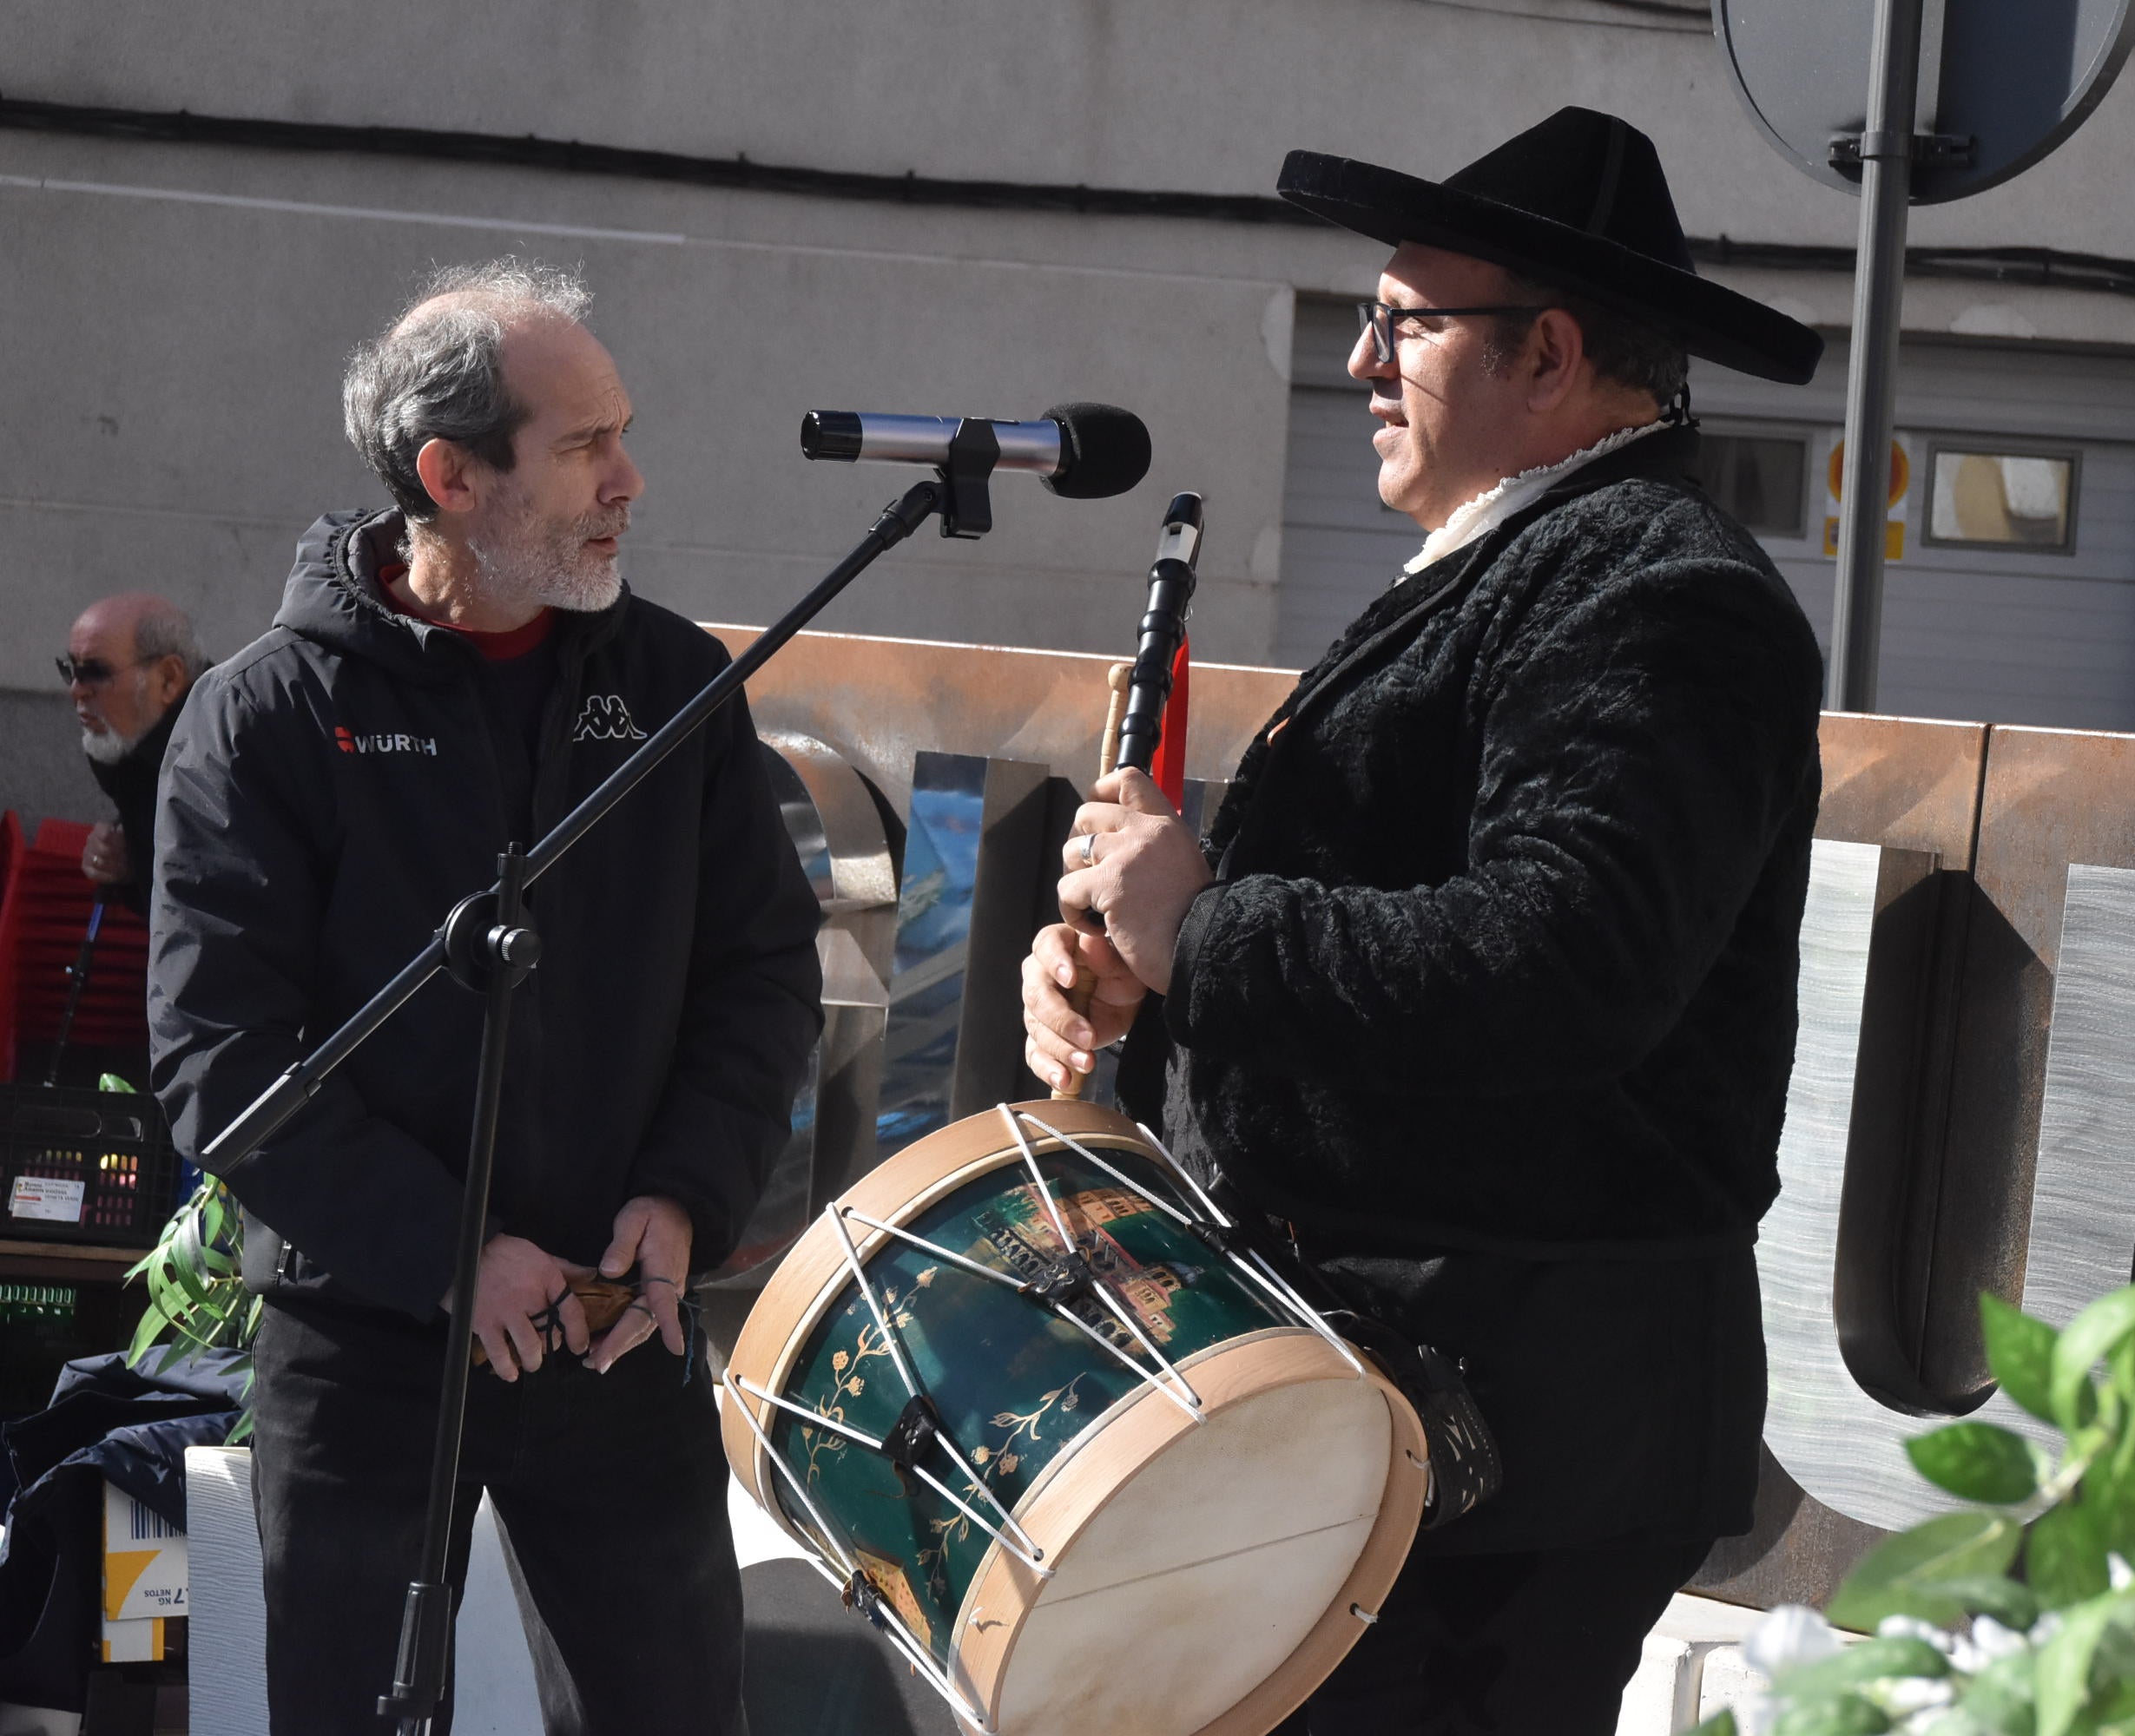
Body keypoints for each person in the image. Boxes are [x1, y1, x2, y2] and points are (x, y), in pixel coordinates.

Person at [1021, 108, 1826, 1733]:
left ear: (1548, 352)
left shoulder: (1657, 592)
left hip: (1528, 1422)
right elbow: (1390, 919)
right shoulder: (1536, 559)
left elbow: (1564, 964)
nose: (1362, 365)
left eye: (1406, 325)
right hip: (1421, 1398)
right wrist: (1147, 985)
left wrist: (1211, 937)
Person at [148, 260, 822, 1735]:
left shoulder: (671, 682)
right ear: (449, 475)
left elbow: (764, 972)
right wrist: (454, 1254)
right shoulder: (265, 714)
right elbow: (221, 1061)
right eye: (585, 446)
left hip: (614, 1319)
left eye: (622, 434)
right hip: (371, 1331)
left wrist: (687, 1193)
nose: (629, 480)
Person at [63, 594, 205, 911]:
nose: (76, 690)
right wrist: (131, 870)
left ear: (168, 679)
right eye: (69, 669)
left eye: (96, 672)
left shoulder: (220, 761)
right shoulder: (139, 750)